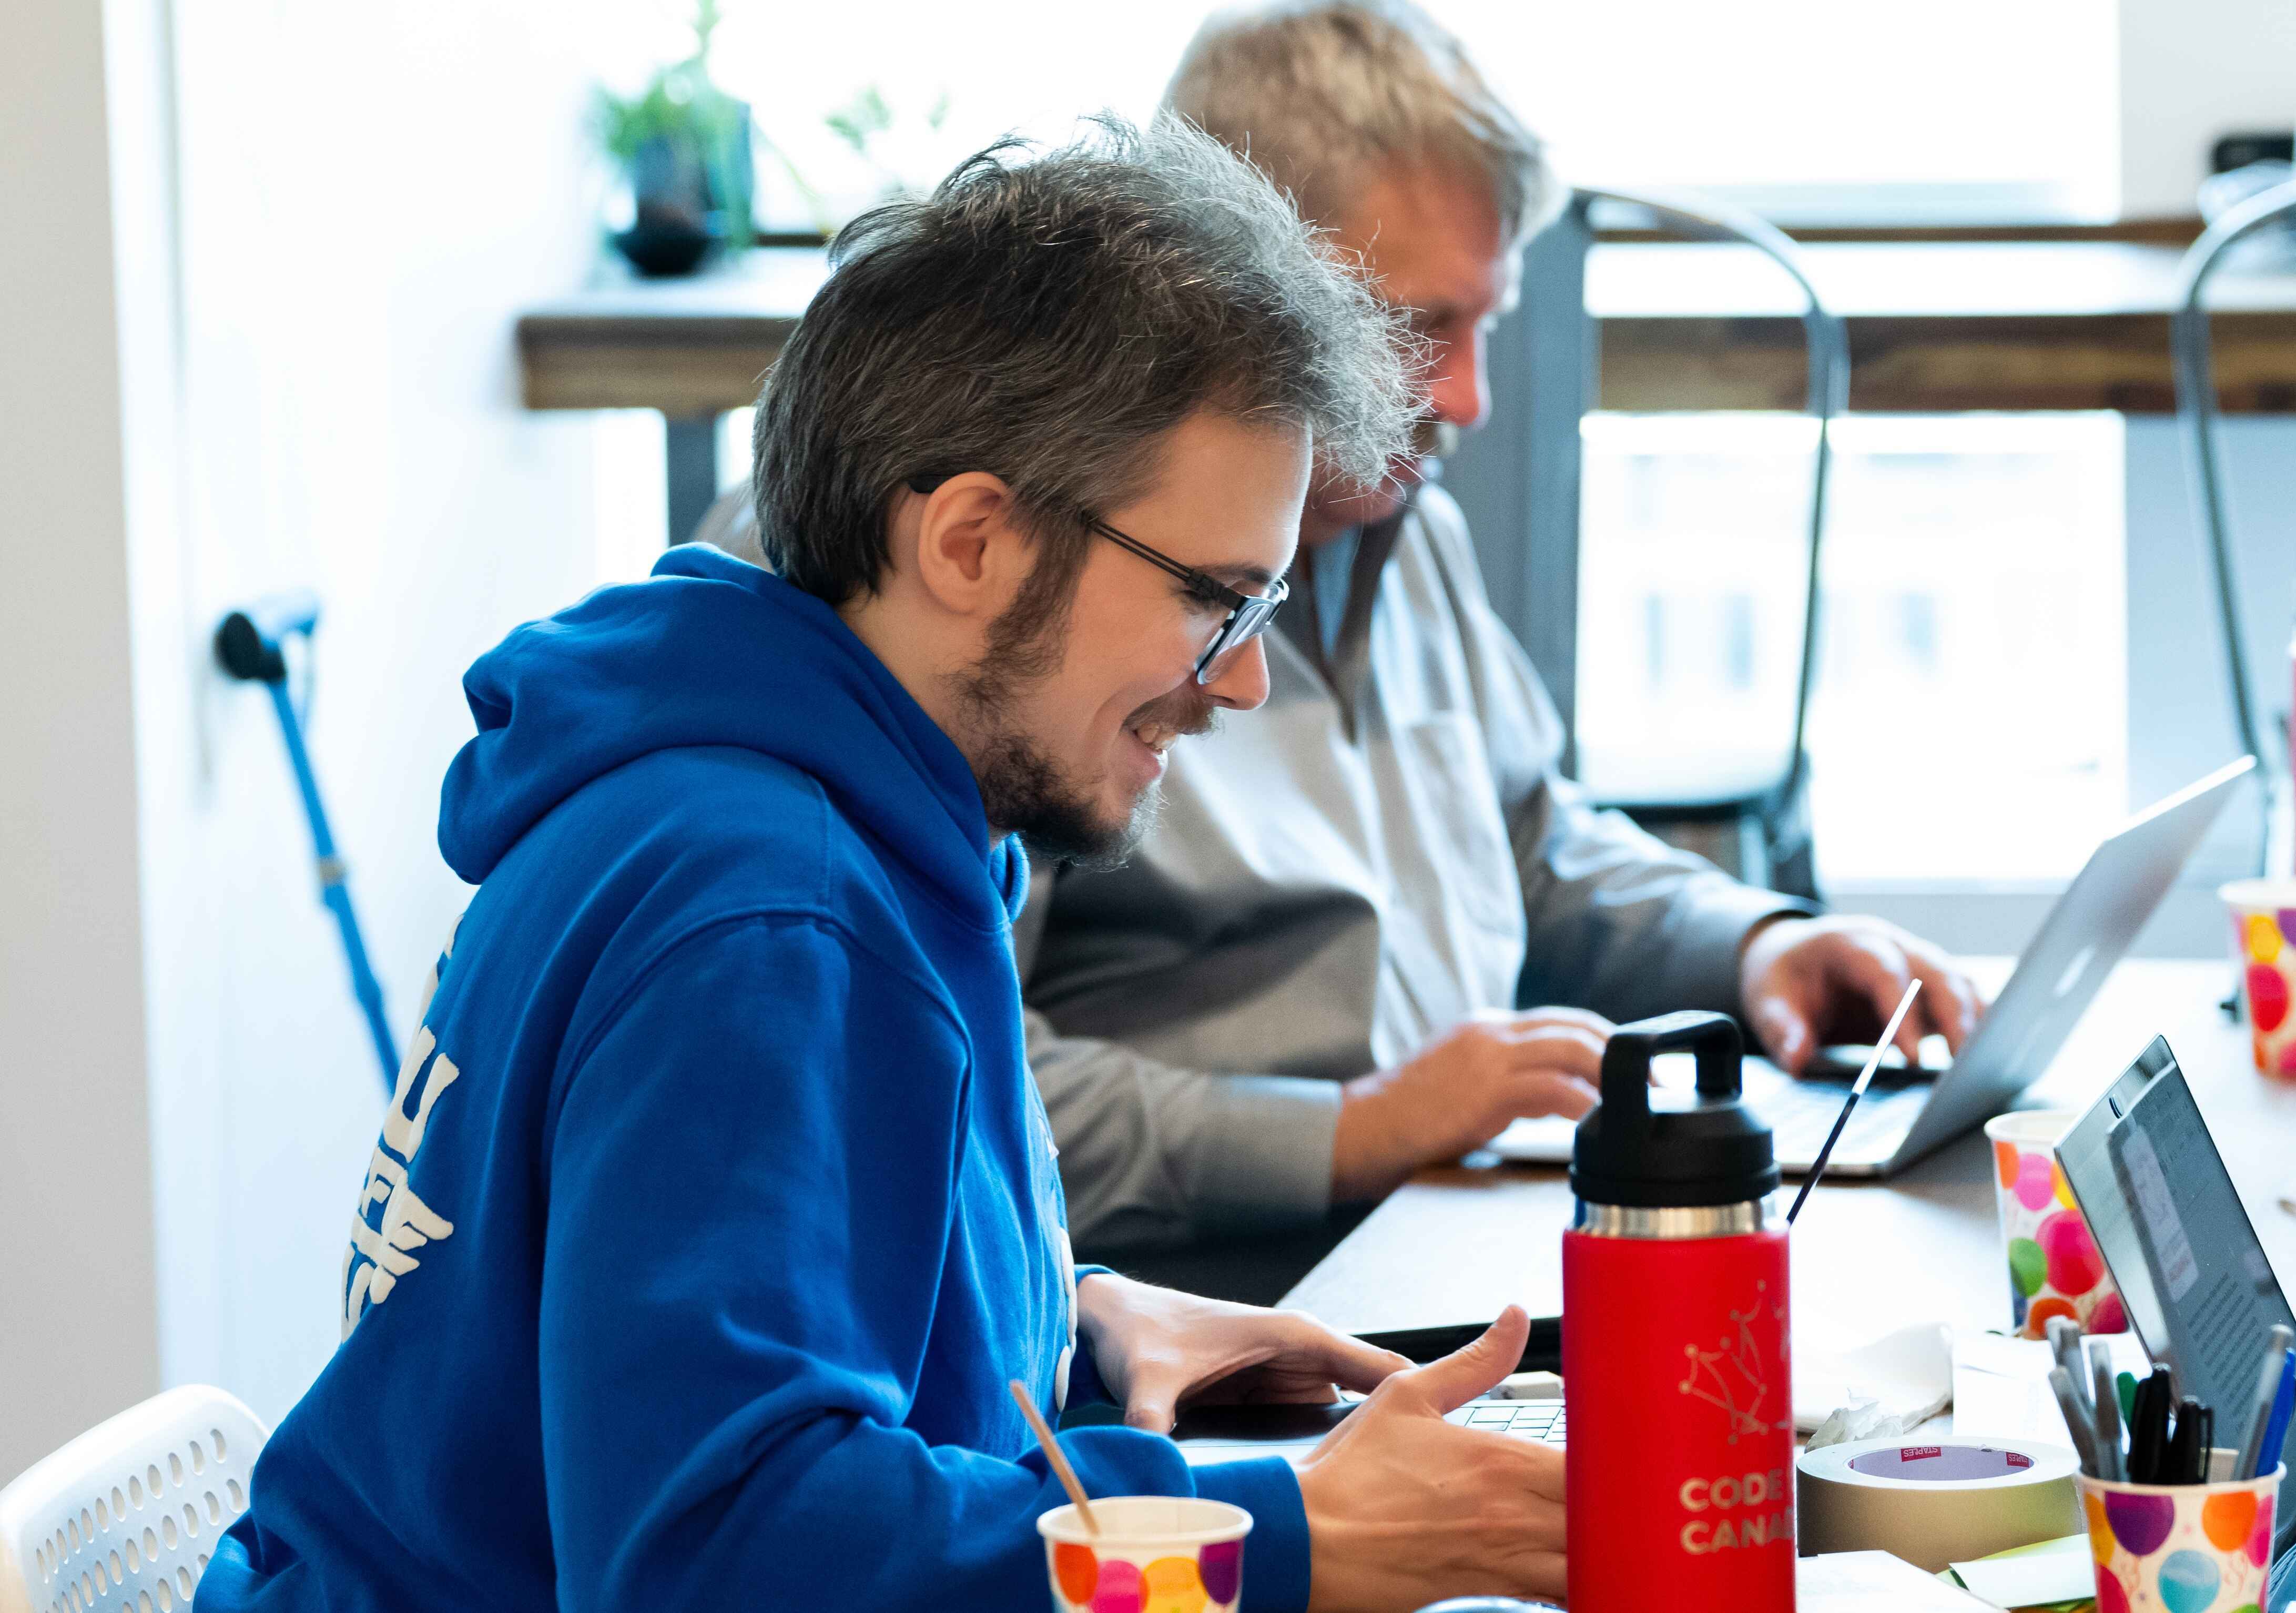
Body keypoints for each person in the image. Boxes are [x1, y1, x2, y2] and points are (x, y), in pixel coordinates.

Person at [196, 118, 1563, 1613]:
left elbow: (706, 1361)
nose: (1239, 682)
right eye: (1215, 602)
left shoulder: (782, 799)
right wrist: (1283, 1545)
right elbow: (712, 1561)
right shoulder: (771, 913)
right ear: (972, 542)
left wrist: (1067, 1336)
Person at [1015, 0, 1985, 1270]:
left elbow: (1531, 843)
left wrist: (1757, 943)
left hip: (1458, 1235)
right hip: (1219, 1304)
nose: (1469, 398)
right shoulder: (1041, 595)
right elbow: (959, 1090)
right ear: (1235, 296)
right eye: (1417, 332)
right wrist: (1343, 1132)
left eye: (1486, 323)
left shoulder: (1401, 526)